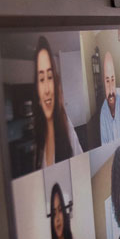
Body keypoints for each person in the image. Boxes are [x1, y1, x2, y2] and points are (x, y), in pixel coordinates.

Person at [32, 37, 82, 170]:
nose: (47, 89)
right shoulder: (38, 139)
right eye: (42, 79)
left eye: (50, 77)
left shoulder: (66, 128)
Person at [99, 51, 120, 144]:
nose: (111, 90)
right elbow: (104, 145)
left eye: (112, 79)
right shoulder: (103, 113)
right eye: (107, 81)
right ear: (104, 83)